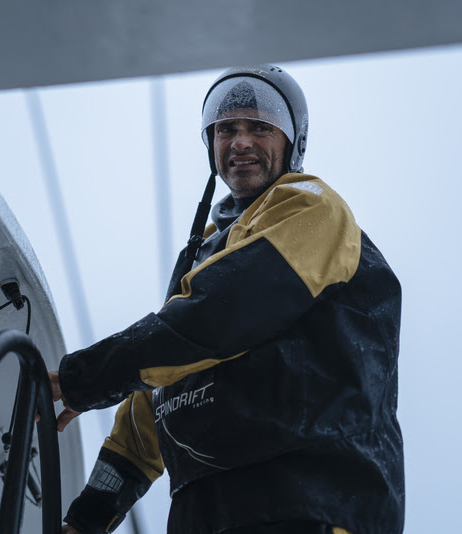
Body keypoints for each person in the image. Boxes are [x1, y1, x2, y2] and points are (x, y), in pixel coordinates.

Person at [49, 64, 404, 534]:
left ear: (292, 142)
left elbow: (219, 315)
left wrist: (86, 378)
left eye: (259, 127)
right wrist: (86, 519)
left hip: (310, 504)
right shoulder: (208, 249)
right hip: (208, 514)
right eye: (226, 129)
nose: (240, 142)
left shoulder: (312, 208)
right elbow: (152, 405)